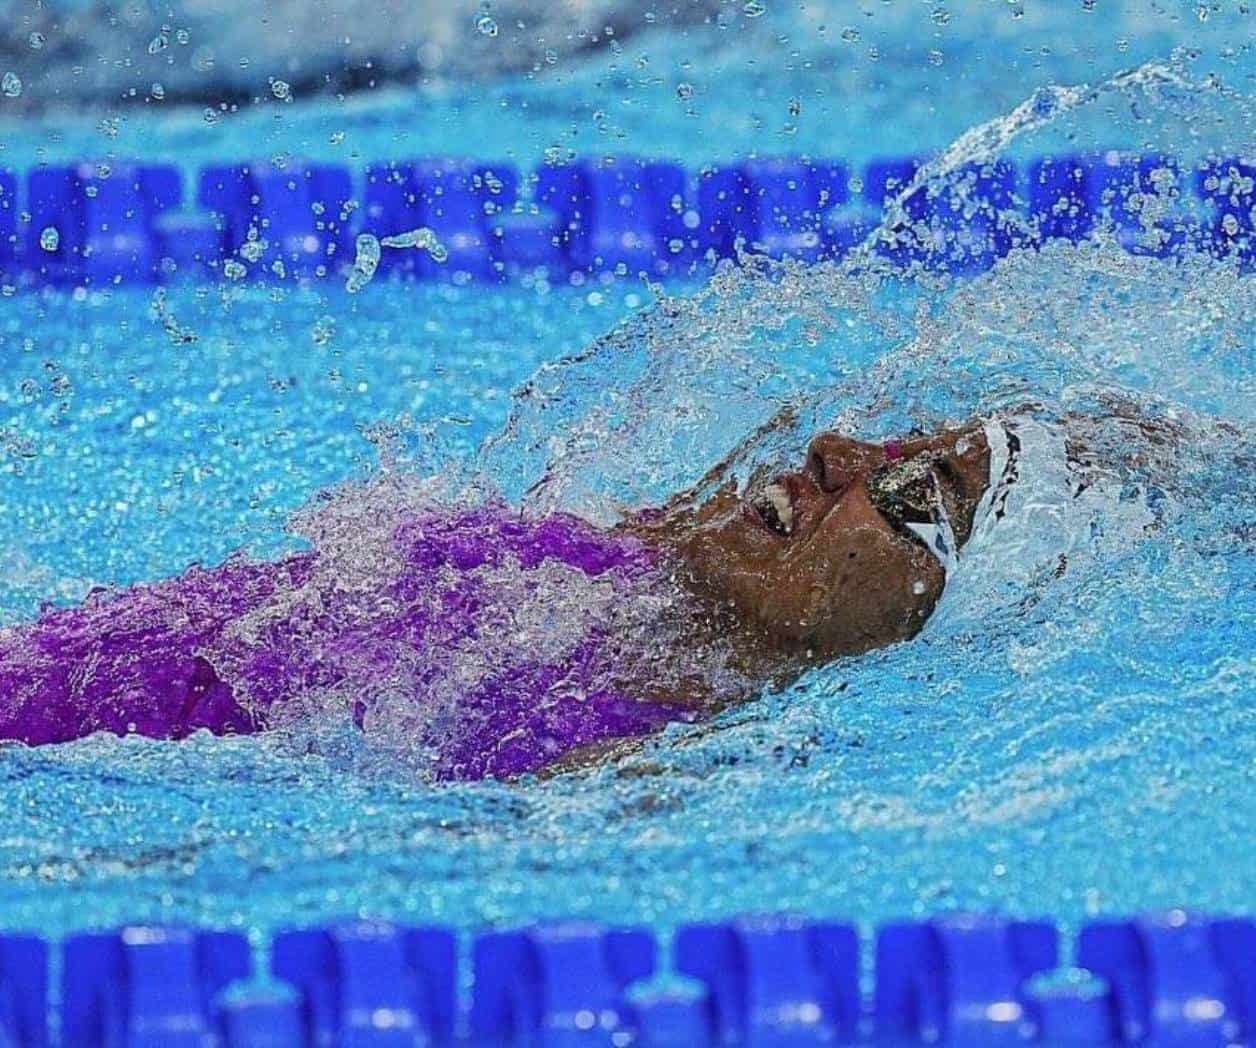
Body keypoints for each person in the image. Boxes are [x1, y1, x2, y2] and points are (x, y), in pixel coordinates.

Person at [0, 404, 1163, 778]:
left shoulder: (647, 759)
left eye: (916, 483)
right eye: (888, 436)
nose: (836, 450)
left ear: (933, 613)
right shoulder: (638, 562)